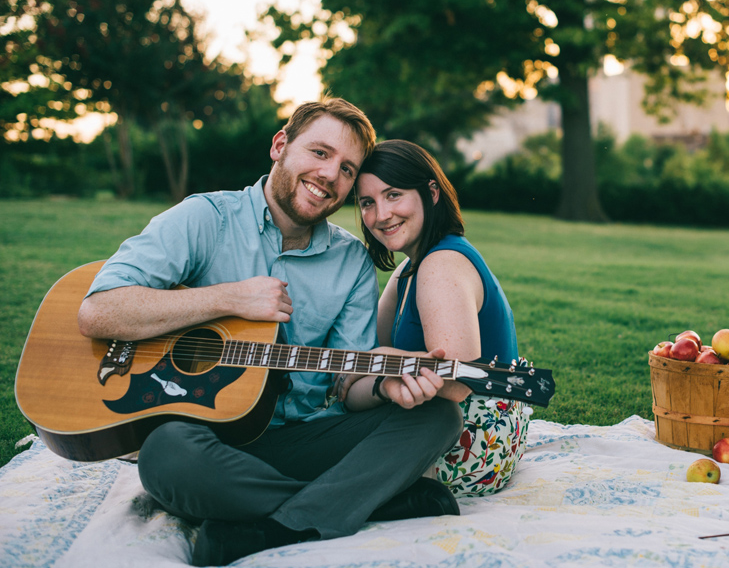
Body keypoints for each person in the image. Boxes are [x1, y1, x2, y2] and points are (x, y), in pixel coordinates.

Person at [76, 100, 464, 567]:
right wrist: (227, 299)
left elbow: (347, 384)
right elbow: (98, 310)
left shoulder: (351, 262)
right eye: (319, 153)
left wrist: (383, 384)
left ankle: (277, 524)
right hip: (206, 443)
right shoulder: (206, 219)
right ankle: (373, 502)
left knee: (437, 418)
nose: (329, 176)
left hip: (298, 443)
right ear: (280, 145)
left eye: (346, 169)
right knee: (164, 455)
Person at [351, 139, 530, 497]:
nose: (380, 215)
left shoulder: (441, 264)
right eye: (367, 202)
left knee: (315, 455)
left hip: (474, 437)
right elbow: (366, 358)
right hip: (458, 426)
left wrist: (383, 363)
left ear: (431, 193)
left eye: (393, 195)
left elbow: (458, 378)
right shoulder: (407, 270)